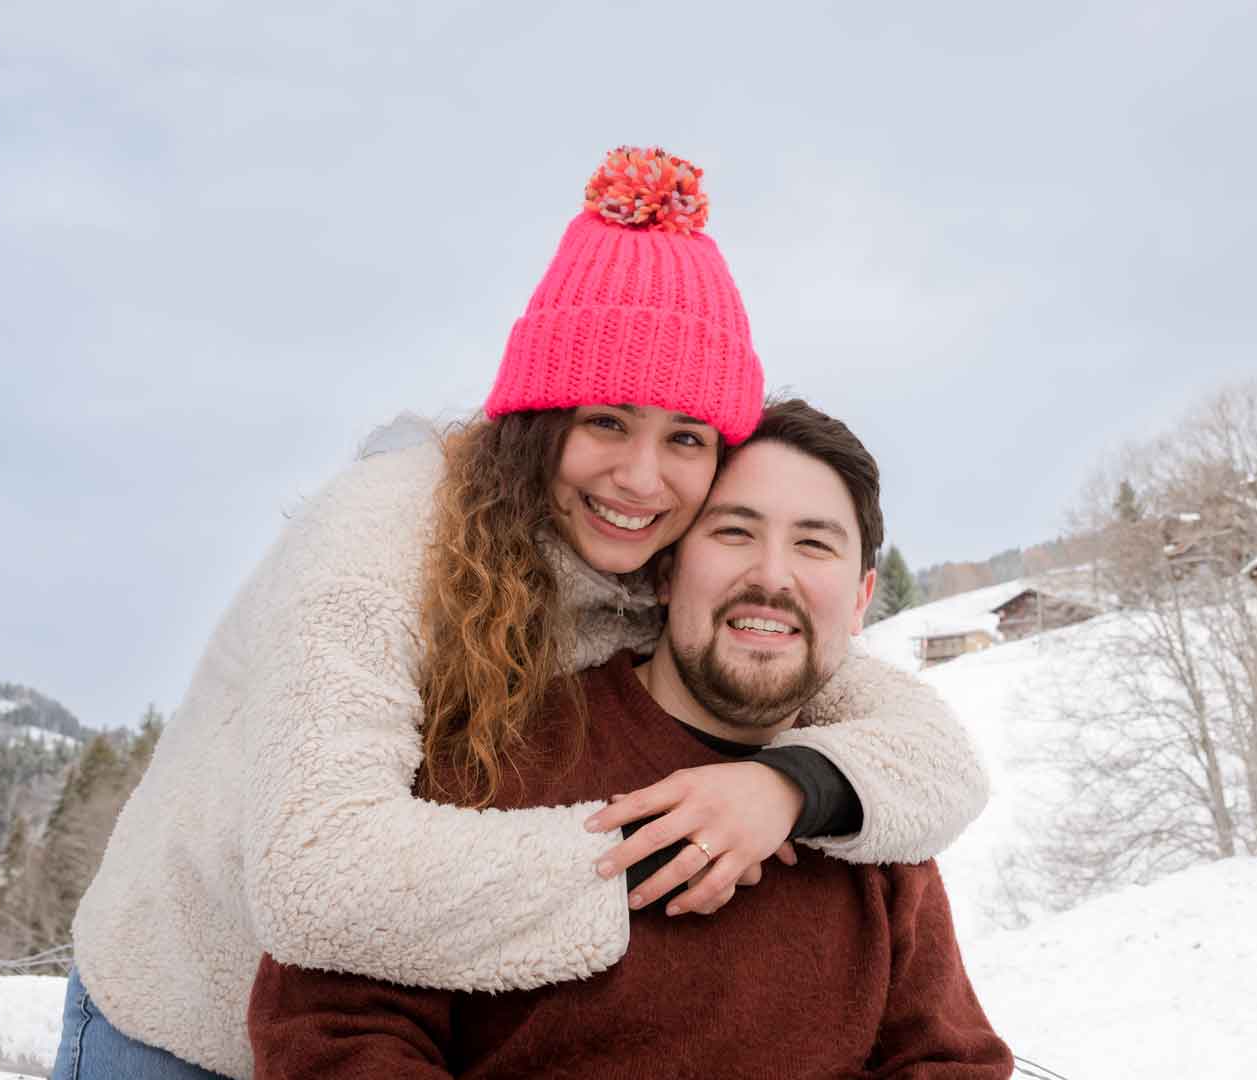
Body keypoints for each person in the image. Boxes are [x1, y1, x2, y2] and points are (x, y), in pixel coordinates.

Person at [54, 148, 989, 1080]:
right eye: (606, 421)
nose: (640, 476)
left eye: (686, 438)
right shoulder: (385, 538)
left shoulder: (672, 570)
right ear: (540, 417)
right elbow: (315, 879)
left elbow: (920, 745)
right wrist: (665, 844)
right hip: (183, 1014)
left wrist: (784, 788)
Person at [247, 399, 1014, 1079]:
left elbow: (950, 1060)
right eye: (734, 532)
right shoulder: (501, 753)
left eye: (814, 545)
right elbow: (332, 1028)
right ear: (665, 572)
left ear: (860, 600)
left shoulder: (873, 813)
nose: (772, 576)